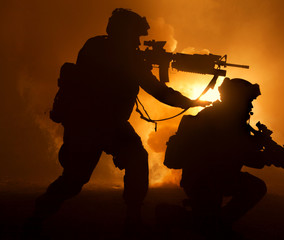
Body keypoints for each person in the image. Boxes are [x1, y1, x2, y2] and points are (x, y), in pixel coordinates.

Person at [24, 8, 209, 237]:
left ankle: (130, 220)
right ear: (124, 33)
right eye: (135, 37)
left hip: (97, 123)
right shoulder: (122, 56)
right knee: (76, 178)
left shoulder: (95, 45)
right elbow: (157, 90)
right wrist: (190, 102)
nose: (137, 42)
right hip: (98, 123)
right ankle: (129, 220)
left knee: (93, 173)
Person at [164, 78, 271, 239]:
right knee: (206, 226)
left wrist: (261, 145)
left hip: (213, 178)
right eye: (249, 101)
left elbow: (240, 150)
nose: (251, 106)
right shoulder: (224, 120)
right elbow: (249, 157)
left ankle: (216, 223)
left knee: (207, 223)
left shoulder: (223, 117)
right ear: (237, 99)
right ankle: (171, 215)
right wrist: (268, 155)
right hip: (205, 182)